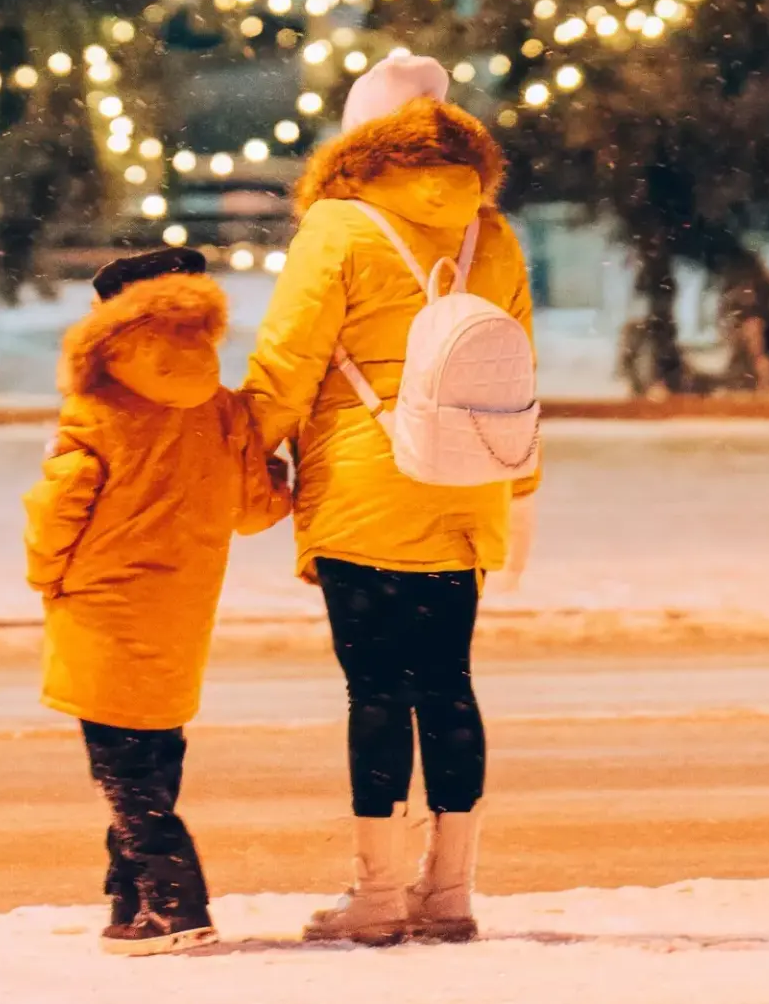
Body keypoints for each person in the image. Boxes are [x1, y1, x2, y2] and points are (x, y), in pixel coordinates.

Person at [242, 52, 538, 946]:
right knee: (448, 686)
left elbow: (289, 360)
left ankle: (376, 897)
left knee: (375, 689)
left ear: (359, 139)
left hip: (367, 486)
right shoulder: (495, 233)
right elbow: (518, 364)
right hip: (467, 480)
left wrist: (246, 453)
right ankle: (449, 894)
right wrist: (517, 484)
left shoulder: (337, 226)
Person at [23, 246, 290, 955]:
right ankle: (130, 897)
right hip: (182, 606)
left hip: (103, 603)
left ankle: (177, 903)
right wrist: (274, 472)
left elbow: (61, 505)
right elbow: (255, 509)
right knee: (154, 750)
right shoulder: (223, 406)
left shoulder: (99, 404)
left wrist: (46, 574)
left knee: (120, 764)